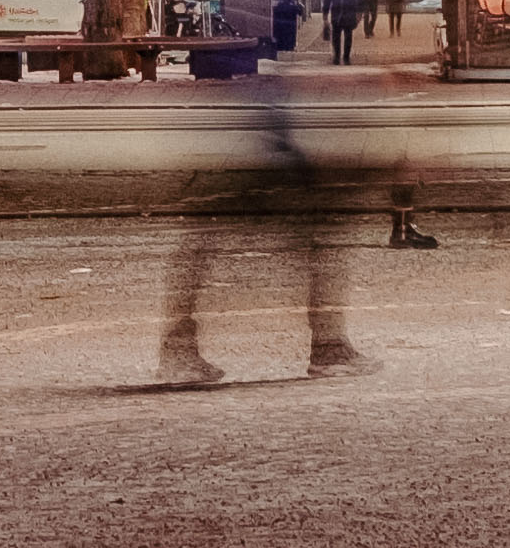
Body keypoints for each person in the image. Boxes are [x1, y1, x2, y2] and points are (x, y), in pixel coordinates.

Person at [156, 68, 365, 384]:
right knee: (321, 239)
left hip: (246, 136)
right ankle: (329, 346)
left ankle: (178, 347)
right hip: (258, 144)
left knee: (200, 244)